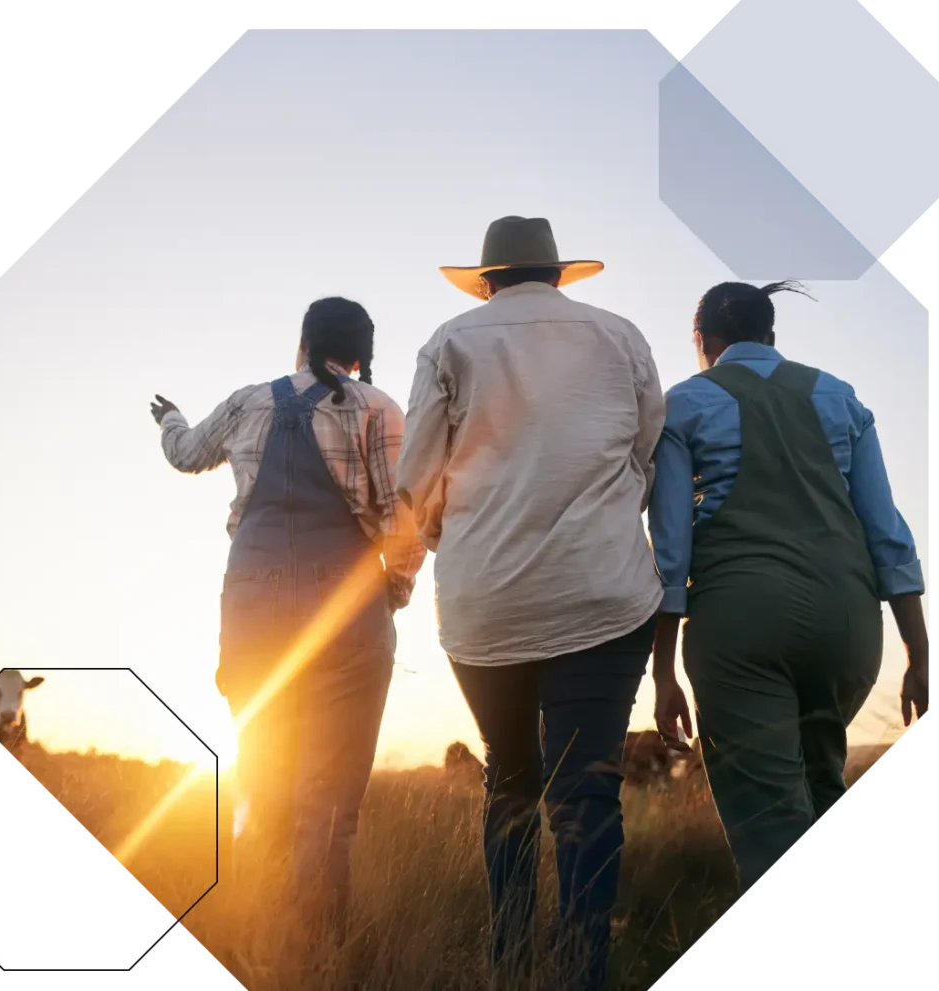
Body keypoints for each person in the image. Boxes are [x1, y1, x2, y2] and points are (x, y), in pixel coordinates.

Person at [396, 216, 667, 990]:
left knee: (510, 777)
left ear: (486, 282)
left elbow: (415, 480)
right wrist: (602, 512)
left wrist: (450, 535)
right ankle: (583, 972)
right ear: (556, 273)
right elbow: (645, 452)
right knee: (588, 788)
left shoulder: (449, 341)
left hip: (484, 604)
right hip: (604, 595)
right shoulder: (621, 335)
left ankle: (509, 966)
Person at [150, 296, 426, 940]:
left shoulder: (248, 402)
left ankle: (253, 940)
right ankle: (318, 951)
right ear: (360, 354)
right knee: (329, 799)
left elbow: (186, 454)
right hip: (347, 610)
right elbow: (404, 523)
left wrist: (170, 419)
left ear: (302, 344)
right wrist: (390, 593)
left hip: (250, 607)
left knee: (262, 777)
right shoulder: (379, 408)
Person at [647, 280, 930, 900]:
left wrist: (663, 671)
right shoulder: (839, 396)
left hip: (740, 623)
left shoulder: (685, 404)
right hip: (847, 624)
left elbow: (671, 551)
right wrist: (920, 654)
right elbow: (887, 532)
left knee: (771, 825)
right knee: (822, 785)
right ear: (771, 335)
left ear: (702, 340)